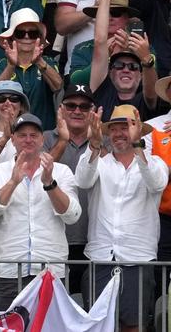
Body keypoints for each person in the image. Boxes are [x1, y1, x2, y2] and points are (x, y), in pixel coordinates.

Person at [77, 104, 165, 332]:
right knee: (97, 326)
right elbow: (83, 181)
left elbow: (156, 182)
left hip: (138, 259)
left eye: (125, 128)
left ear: (138, 131)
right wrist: (94, 144)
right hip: (100, 257)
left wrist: (138, 147)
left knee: (134, 327)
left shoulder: (156, 163)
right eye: (114, 129)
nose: (118, 134)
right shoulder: (99, 162)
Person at [0, 113, 81, 303]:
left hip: (50, 272)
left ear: (42, 139)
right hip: (8, 272)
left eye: (33, 135)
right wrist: (12, 182)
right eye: (22, 135)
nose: (28, 139)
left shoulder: (61, 171)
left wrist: (50, 184)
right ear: (13, 140)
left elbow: (73, 215)